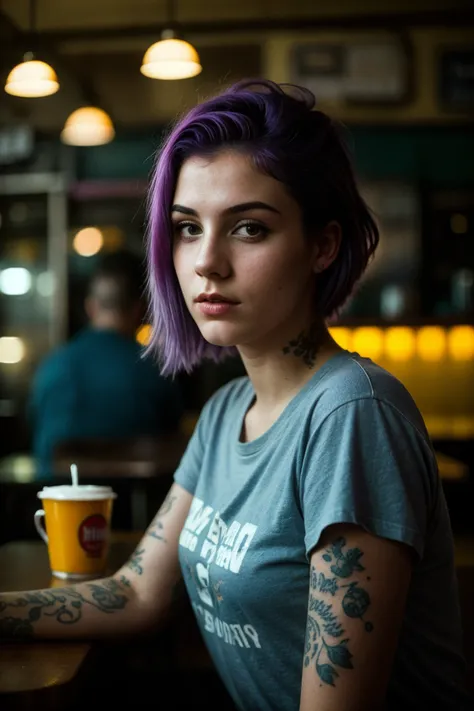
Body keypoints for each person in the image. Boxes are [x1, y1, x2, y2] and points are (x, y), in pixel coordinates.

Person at [1, 80, 470, 711]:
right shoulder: (225, 414)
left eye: (249, 228)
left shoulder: (352, 417)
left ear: (322, 246)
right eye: (187, 228)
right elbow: (138, 593)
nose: (206, 263)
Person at [29, 249, 183, 477]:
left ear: (90, 307)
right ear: (140, 310)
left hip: (56, 504)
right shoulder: (156, 368)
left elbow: (35, 428)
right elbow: (172, 437)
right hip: (136, 506)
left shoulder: (53, 364)